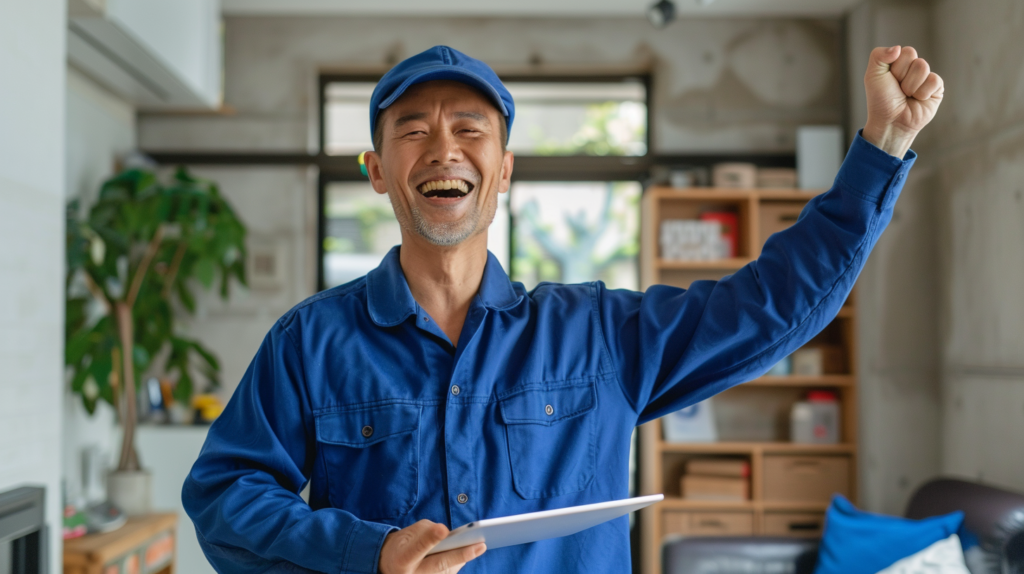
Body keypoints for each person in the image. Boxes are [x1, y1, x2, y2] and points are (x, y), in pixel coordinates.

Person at [183, 45, 943, 574]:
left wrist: (885, 143)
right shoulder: (310, 342)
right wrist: (367, 553)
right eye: (412, 131)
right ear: (378, 170)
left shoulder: (597, 336)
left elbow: (772, 307)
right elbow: (224, 498)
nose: (443, 148)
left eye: (470, 130)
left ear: (503, 169)